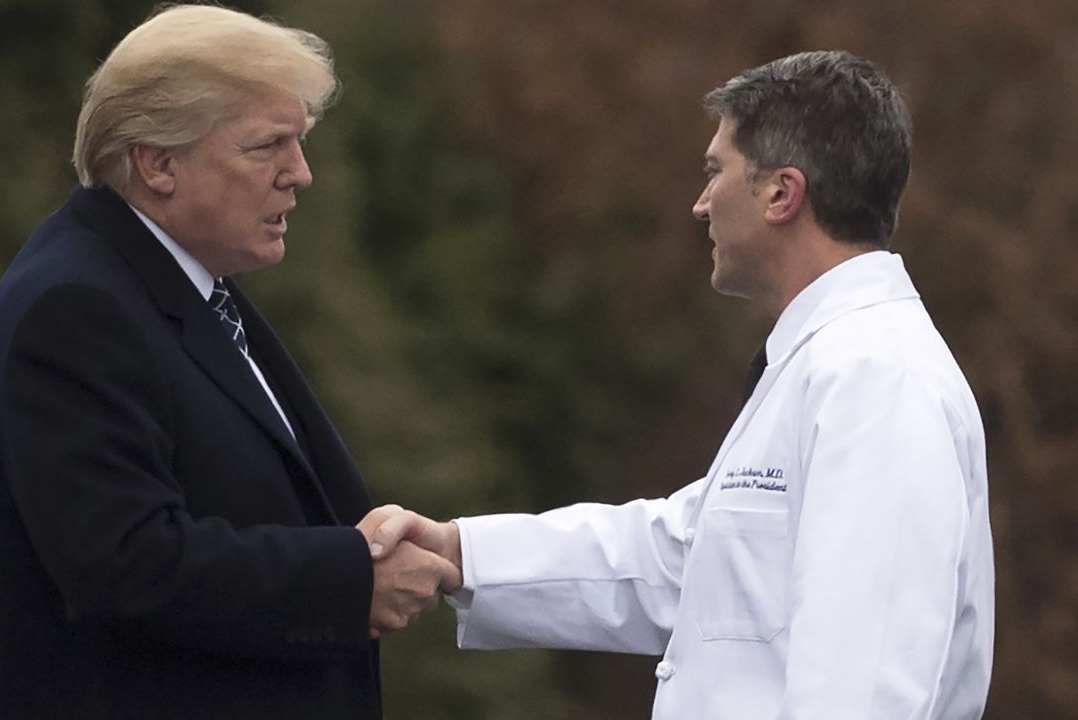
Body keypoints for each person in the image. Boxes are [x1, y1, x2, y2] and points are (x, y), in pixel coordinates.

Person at [363, 51, 994, 719]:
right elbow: (687, 561)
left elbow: (863, 691)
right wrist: (462, 554)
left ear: (782, 193)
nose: (700, 204)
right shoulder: (833, 365)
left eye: (715, 171)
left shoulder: (876, 379)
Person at [0, 6, 455, 719]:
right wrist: (348, 580)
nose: (299, 174)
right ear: (157, 162)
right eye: (266, 145)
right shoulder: (74, 309)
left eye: (299, 142)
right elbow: (126, 565)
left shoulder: (176, 286)